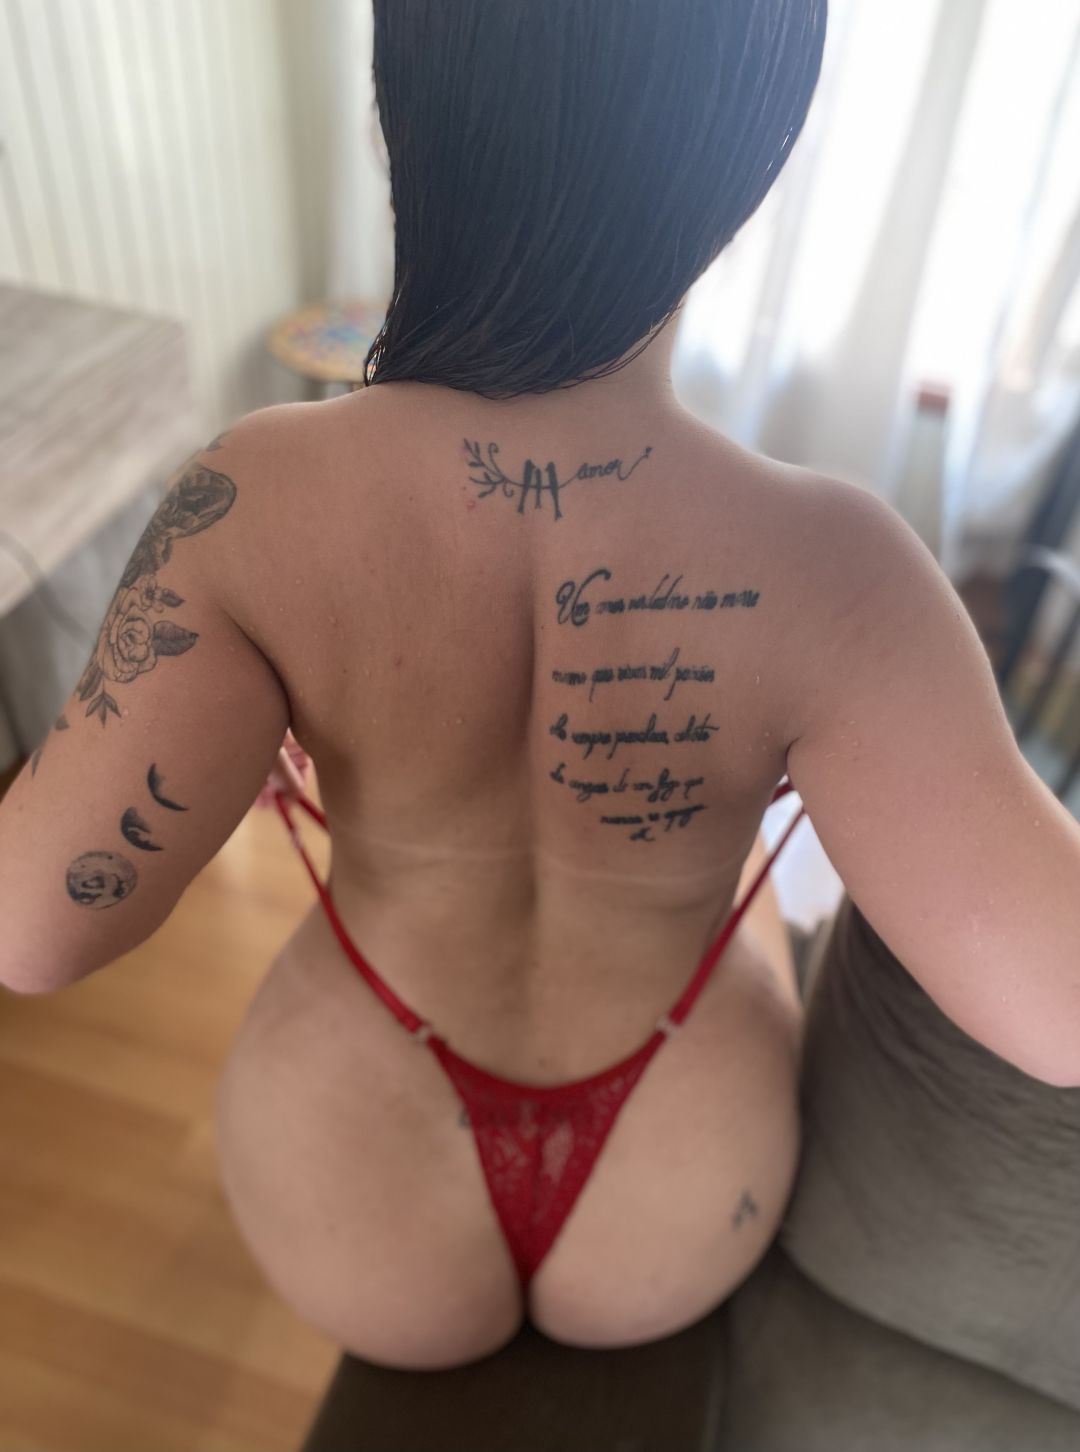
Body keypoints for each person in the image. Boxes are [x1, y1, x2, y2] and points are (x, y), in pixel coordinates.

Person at [2, 0, 1079, 1376]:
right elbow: (1060, 1012)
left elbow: (31, 932)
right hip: (677, 1192)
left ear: (401, 119)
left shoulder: (250, 501)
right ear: (744, 168)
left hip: (358, 1180)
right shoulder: (842, 570)